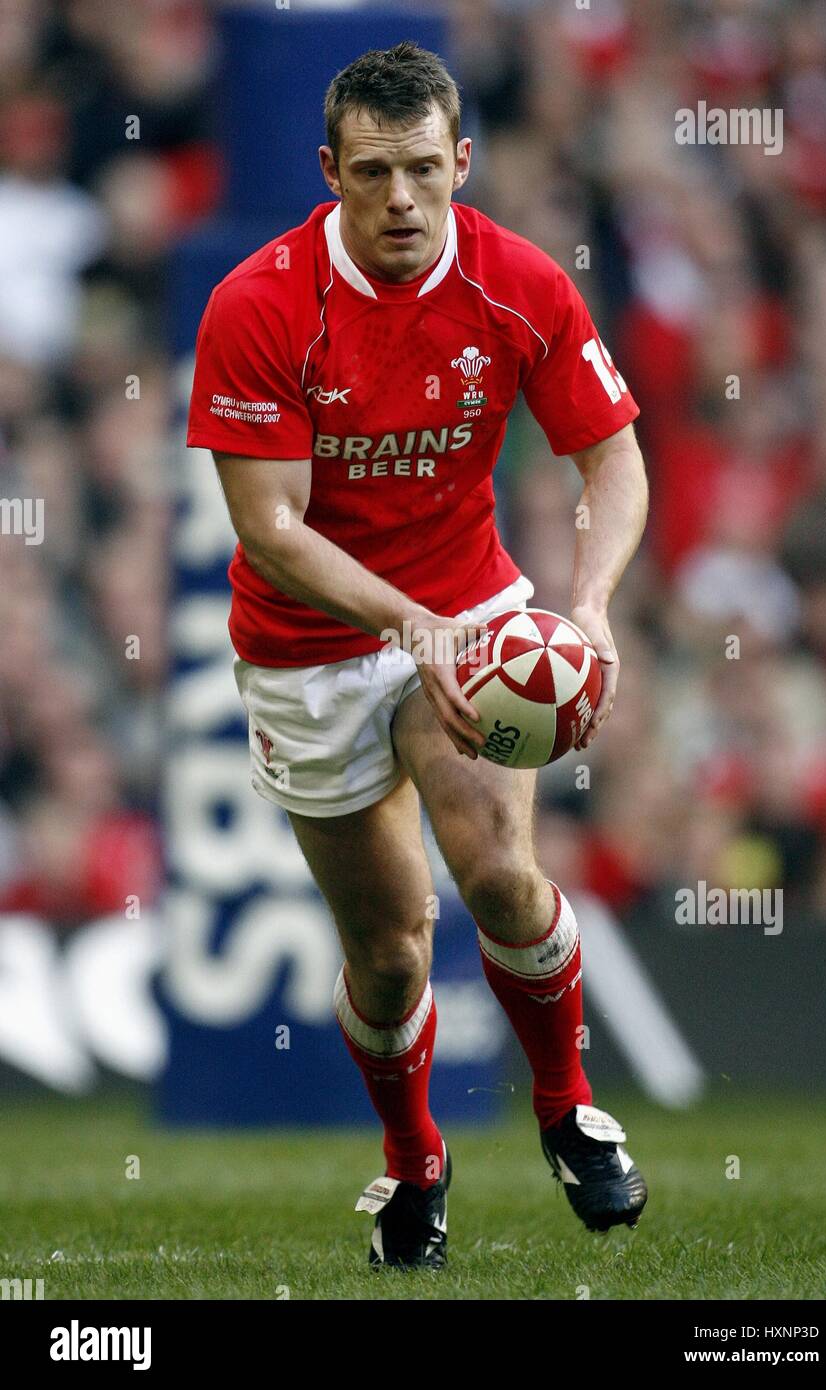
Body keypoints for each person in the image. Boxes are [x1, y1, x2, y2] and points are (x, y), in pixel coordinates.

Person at [187, 41, 649, 1270]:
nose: (401, 200)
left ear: (461, 163)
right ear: (329, 168)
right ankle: (412, 1159)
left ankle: (566, 1106)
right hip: (308, 651)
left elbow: (607, 455)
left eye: (424, 172)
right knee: (390, 952)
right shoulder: (258, 303)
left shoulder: (518, 283)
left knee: (496, 870)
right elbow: (269, 530)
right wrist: (412, 629)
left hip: (474, 608)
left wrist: (590, 605)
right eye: (373, 172)